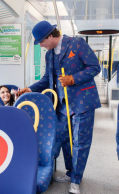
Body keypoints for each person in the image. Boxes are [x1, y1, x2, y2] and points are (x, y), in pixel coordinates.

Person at [16, 21, 101, 194]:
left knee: (80, 142)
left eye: (41, 41)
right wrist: (29, 89)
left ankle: (76, 179)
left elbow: (95, 67)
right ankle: (70, 172)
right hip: (63, 106)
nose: (41, 45)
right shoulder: (49, 55)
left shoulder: (77, 44)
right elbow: (47, 78)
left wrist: (73, 78)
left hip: (82, 103)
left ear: (50, 36)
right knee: (65, 140)